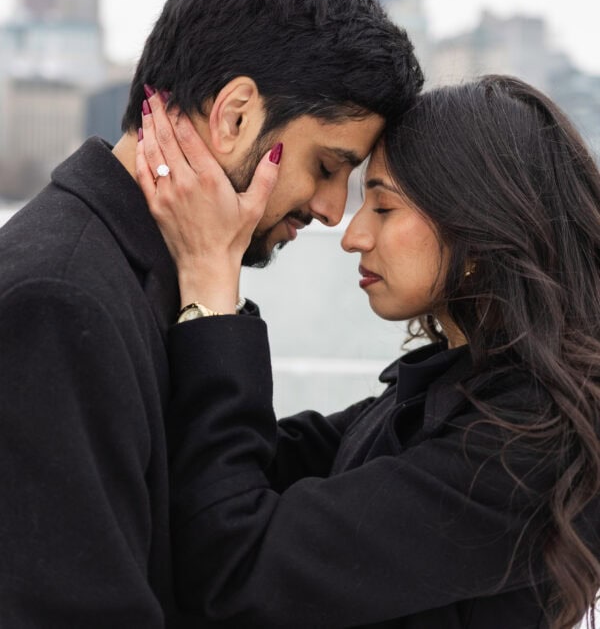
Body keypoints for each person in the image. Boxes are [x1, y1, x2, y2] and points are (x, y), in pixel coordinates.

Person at [0, 0, 422, 627]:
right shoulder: (59, 303)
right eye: (325, 166)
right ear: (234, 115)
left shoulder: (127, 275)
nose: (327, 210)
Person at [139, 74, 600, 629]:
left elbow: (239, 567)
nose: (352, 234)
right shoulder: (451, 390)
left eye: (383, 208)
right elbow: (261, 462)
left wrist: (212, 290)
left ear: (477, 231)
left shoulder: (527, 443)